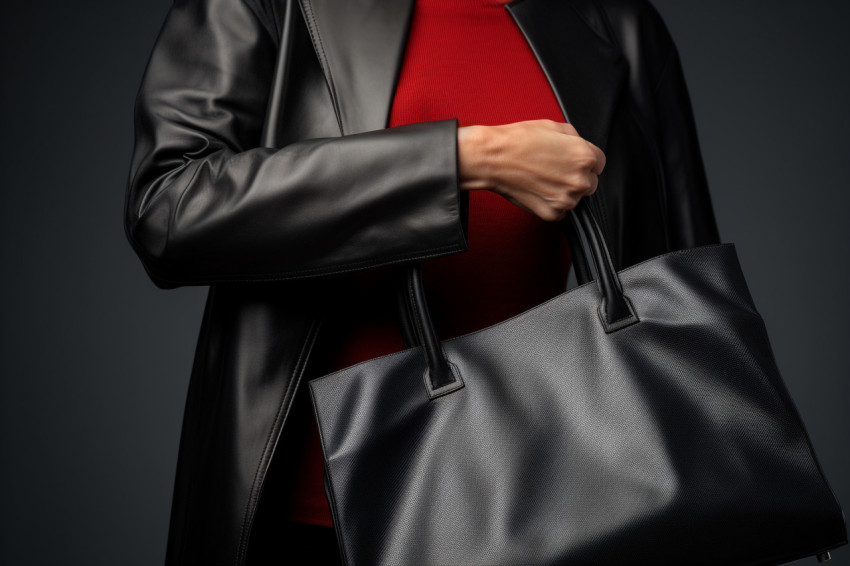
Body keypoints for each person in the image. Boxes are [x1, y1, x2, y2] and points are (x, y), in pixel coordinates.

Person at [124, 0, 719, 564]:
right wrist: (462, 159)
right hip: (313, 519)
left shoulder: (618, 20)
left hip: (552, 511)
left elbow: (681, 289)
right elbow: (169, 208)